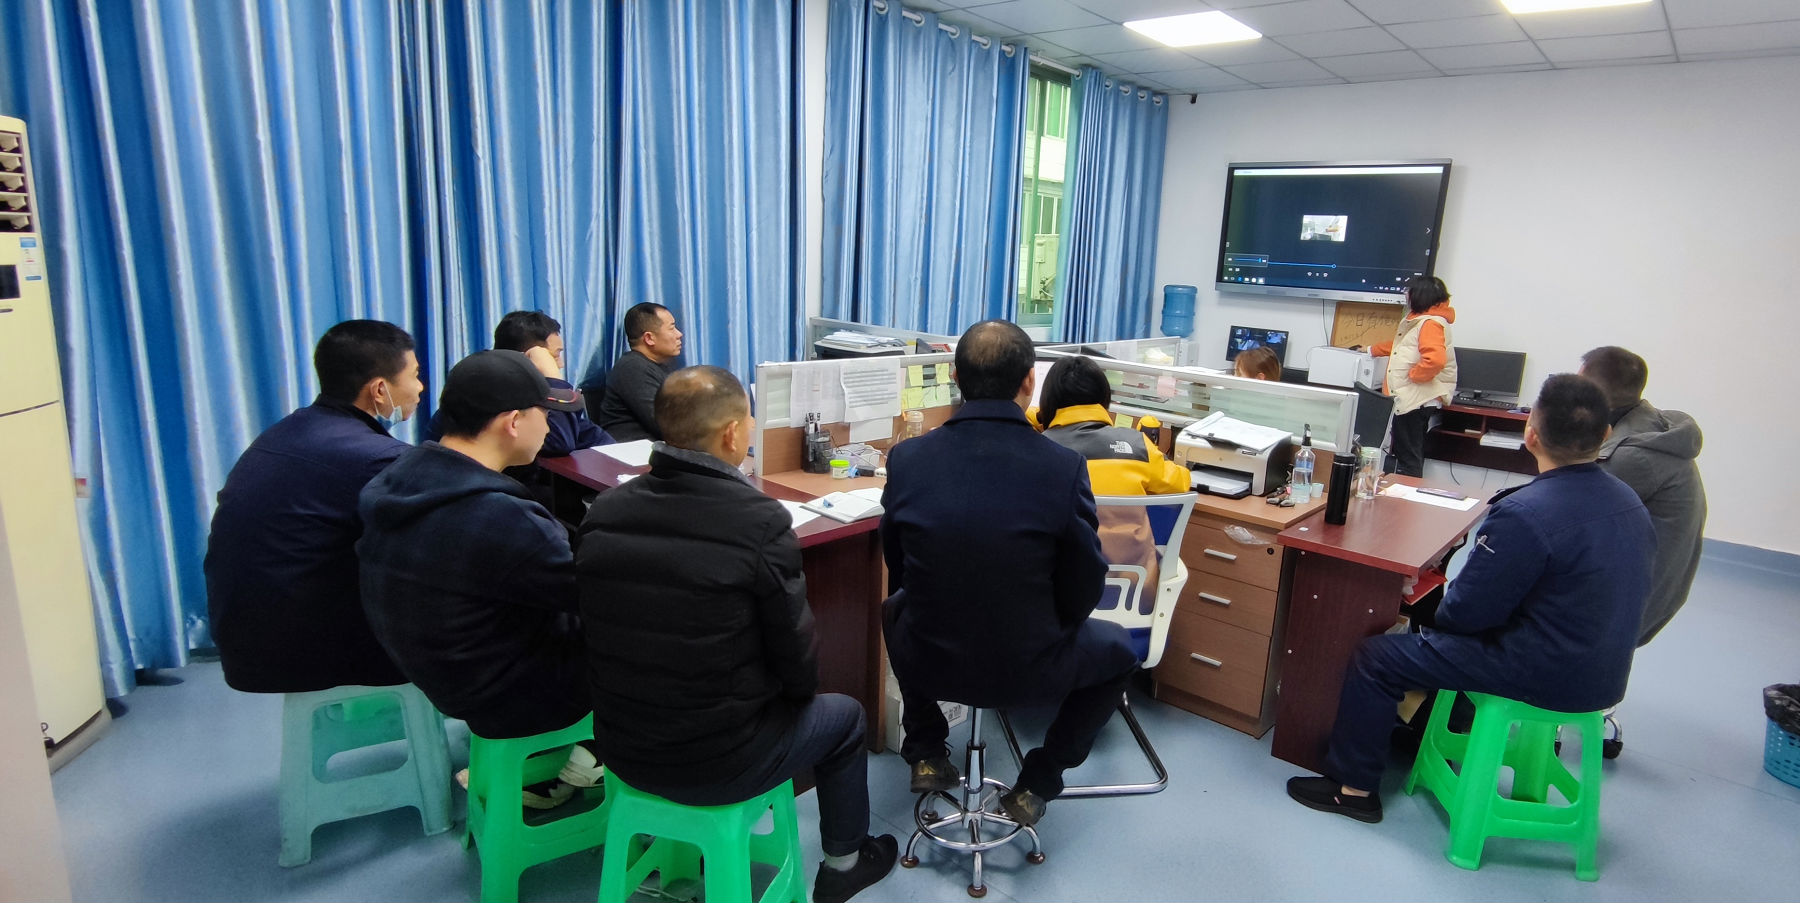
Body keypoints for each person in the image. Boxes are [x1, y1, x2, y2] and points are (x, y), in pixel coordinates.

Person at [577, 366, 897, 903]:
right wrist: (792, 703)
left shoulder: (605, 509)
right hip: (719, 760)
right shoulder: (758, 521)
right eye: (749, 420)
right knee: (845, 718)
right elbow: (797, 660)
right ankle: (844, 865)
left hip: (622, 745)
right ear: (731, 434)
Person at [1286, 374, 1655, 823]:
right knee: (1430, 633)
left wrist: (1424, 603)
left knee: (1378, 656)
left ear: (1531, 434)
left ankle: (1353, 790)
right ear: (1605, 435)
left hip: (1542, 673)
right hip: (1603, 675)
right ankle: (1417, 731)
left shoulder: (1525, 513)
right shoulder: (1629, 500)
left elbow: (1464, 616)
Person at [882, 320, 1138, 829]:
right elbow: (1084, 584)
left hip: (933, 658)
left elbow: (900, 565)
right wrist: (1053, 625)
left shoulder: (907, 458)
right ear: (1029, 382)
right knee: (1121, 653)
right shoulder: (1062, 467)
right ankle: (1039, 780)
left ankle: (927, 749)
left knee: (894, 609)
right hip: (1031, 667)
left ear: (956, 377)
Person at [357, 350, 601, 807]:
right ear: (514, 422)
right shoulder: (501, 516)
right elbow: (600, 597)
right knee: (662, 631)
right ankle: (597, 755)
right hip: (510, 694)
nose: (549, 428)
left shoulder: (399, 478)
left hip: (446, 674)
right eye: (546, 416)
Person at [205, 320, 422, 694]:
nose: (420, 388)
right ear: (379, 389)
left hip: (246, 644)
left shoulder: (287, 431)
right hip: (301, 653)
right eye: (415, 376)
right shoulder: (375, 458)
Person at [1579, 345, 1708, 757]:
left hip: (1632, 599)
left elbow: (1567, 516)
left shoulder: (1631, 456)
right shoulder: (1653, 425)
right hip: (1661, 582)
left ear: (1594, 391)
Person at [1364, 275, 1457, 477]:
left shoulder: (1430, 323)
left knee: (1408, 458)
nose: (1406, 296)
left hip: (1416, 399)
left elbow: (1435, 360)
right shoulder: (1423, 321)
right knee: (1407, 453)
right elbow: (1402, 346)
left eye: (1408, 292)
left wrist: (1415, 376)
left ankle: (1405, 493)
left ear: (1420, 295)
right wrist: (1372, 349)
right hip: (1416, 398)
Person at [491, 310, 613, 455]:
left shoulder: (536, 397)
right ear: (526, 358)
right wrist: (554, 380)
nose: (560, 364)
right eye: (554, 356)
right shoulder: (503, 405)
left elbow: (595, 437)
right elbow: (560, 443)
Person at [595, 302, 683, 441]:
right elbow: (667, 425)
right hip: (634, 450)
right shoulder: (631, 368)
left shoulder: (661, 366)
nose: (679, 334)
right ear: (649, 338)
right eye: (671, 328)